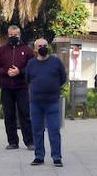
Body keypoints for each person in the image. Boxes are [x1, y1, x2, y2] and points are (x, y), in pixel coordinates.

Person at [25, 37, 66, 166]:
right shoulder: (31, 64)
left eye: (45, 45)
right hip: (35, 102)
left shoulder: (56, 62)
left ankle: (56, 157)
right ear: (35, 49)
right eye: (40, 46)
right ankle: (39, 156)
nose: (43, 48)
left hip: (52, 102)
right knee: (37, 130)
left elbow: (63, 78)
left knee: (54, 130)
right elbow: (27, 79)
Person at [0, 24, 34, 150]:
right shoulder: (2, 50)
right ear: (8, 35)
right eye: (11, 35)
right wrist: (6, 72)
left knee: (25, 114)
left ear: (19, 35)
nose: (13, 37)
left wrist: (19, 71)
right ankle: (13, 142)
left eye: (15, 35)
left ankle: (30, 141)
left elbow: (31, 68)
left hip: (22, 87)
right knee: (9, 115)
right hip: (6, 87)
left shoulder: (27, 50)